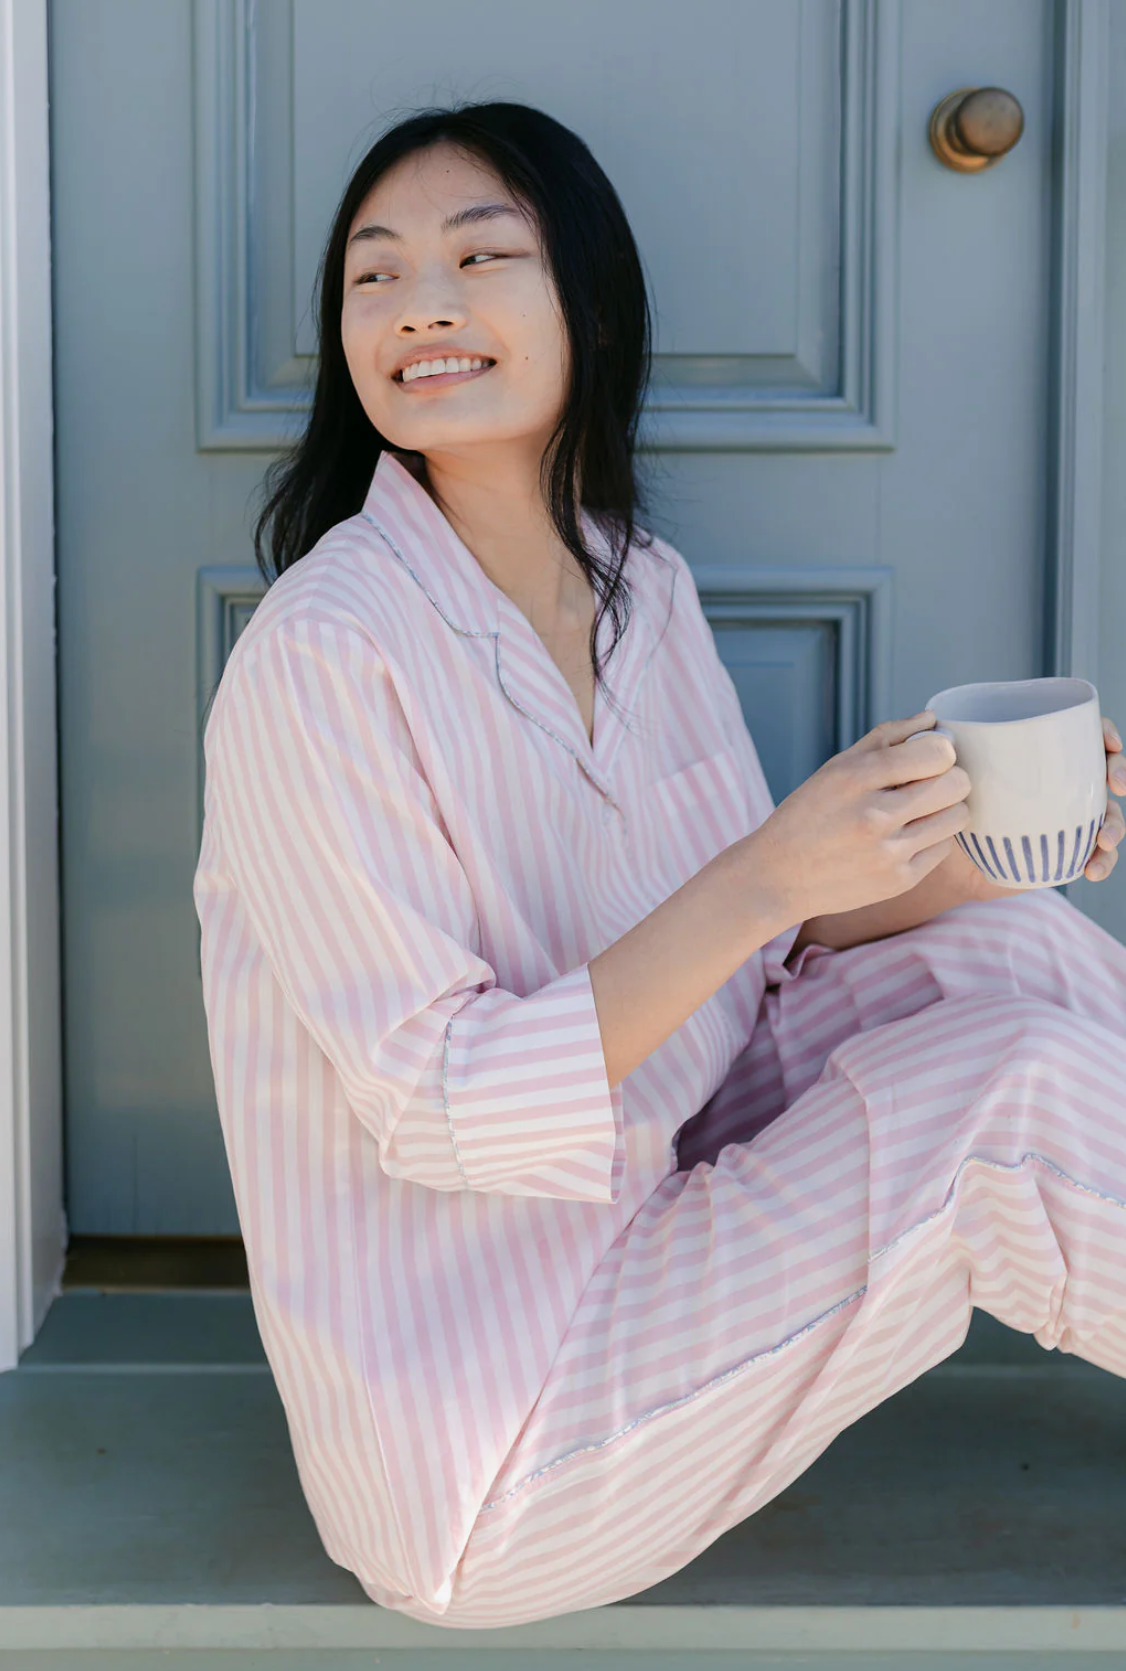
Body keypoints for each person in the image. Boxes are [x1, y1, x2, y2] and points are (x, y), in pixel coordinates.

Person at [192, 99, 1126, 1630]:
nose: (419, 303)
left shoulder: (639, 585)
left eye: (479, 256)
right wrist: (767, 870)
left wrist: (972, 863)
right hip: (497, 1431)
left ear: (592, 307)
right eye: (374, 274)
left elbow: (752, 955)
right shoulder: (322, 659)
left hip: (663, 1192)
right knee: (1001, 1097)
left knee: (1007, 946)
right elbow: (439, 1103)